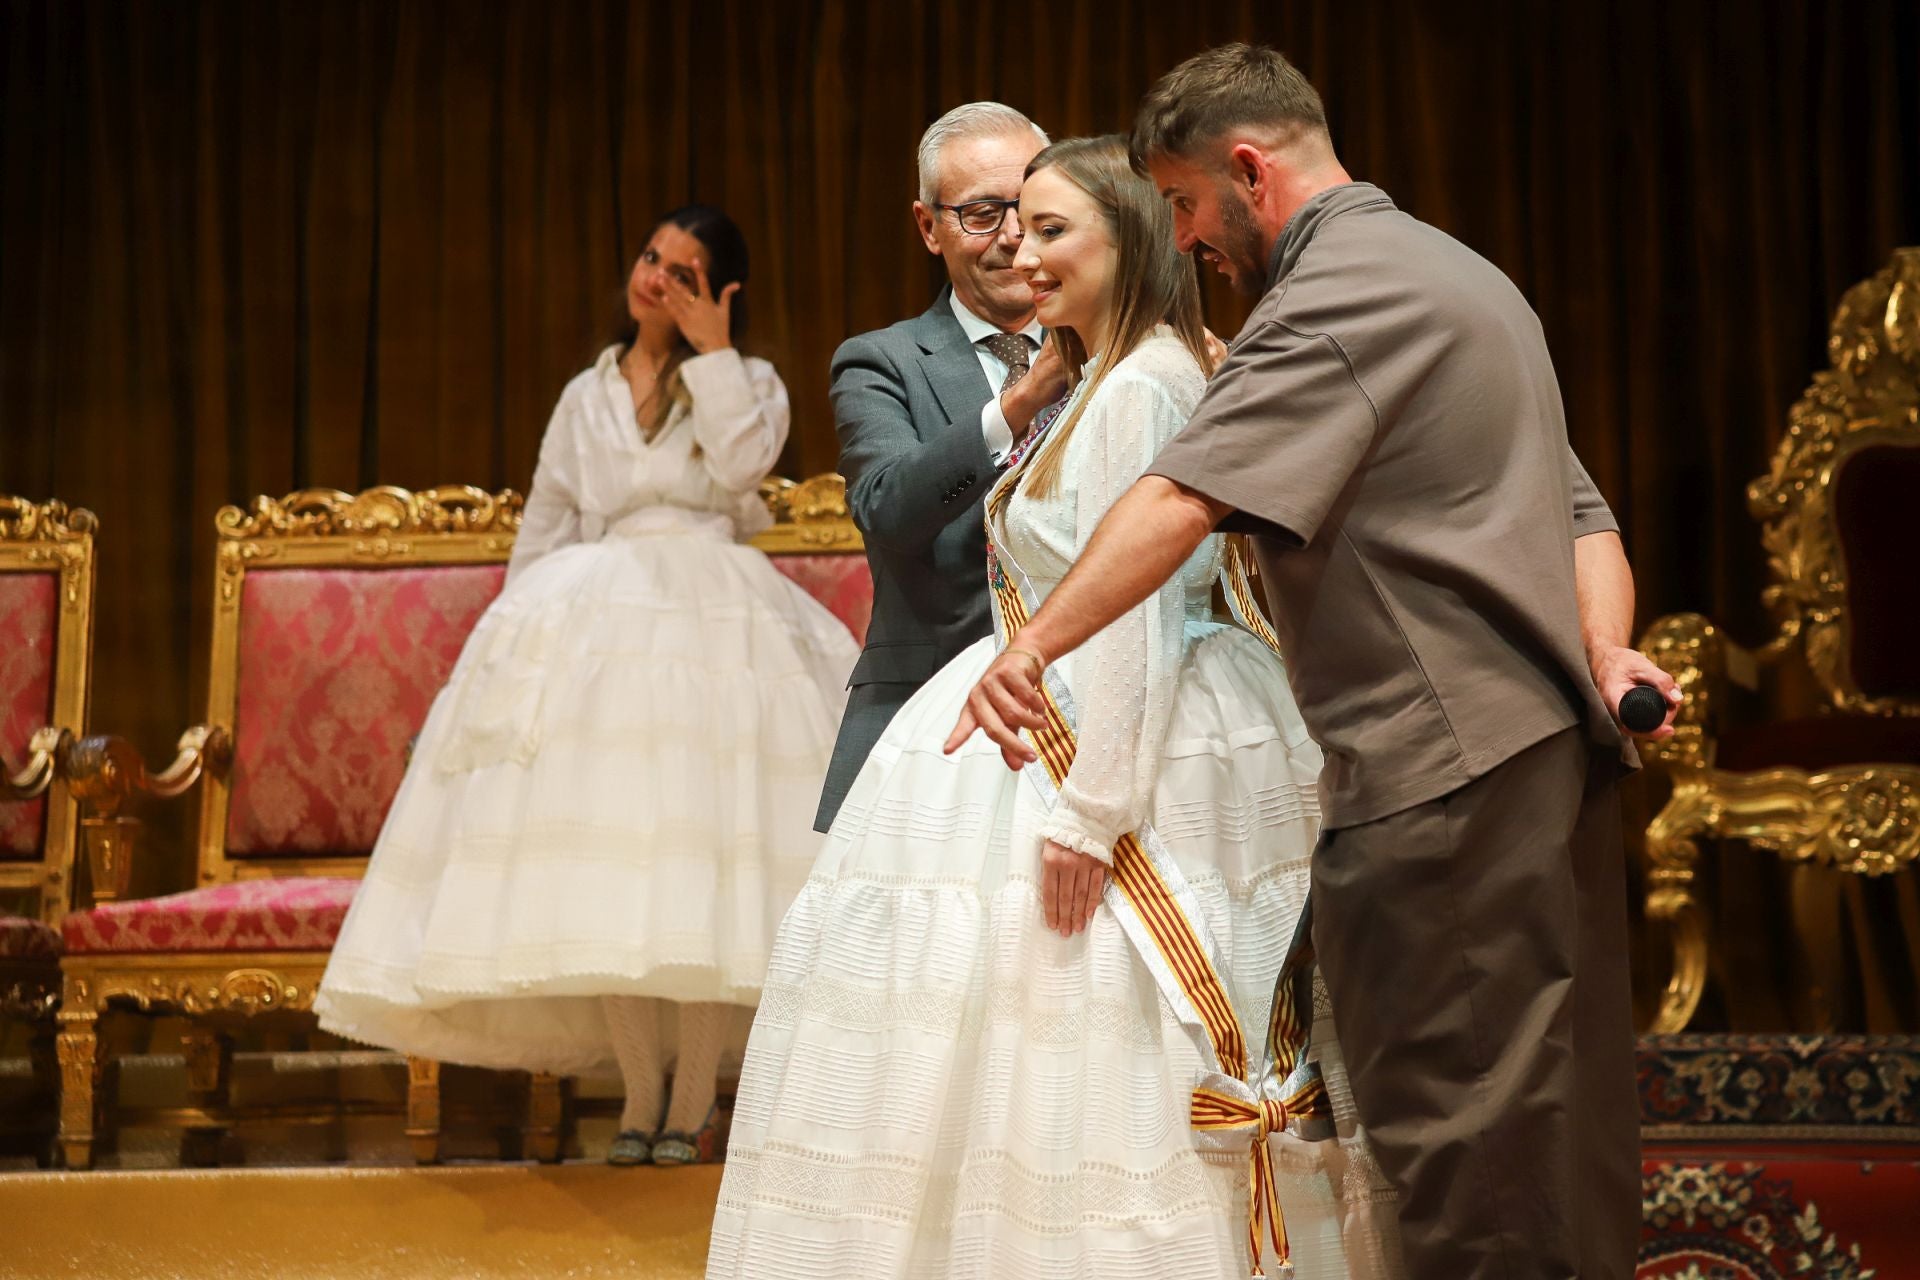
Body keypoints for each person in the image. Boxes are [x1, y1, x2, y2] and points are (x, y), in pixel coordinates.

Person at [950, 46, 1681, 1280]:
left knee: (1465, 1153)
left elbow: (1178, 493)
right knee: (1557, 1133)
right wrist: (1602, 644)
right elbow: (1583, 516)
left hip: (1437, 771)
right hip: (1542, 761)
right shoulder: (1471, 278)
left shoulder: (1331, 297)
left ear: (1249, 169)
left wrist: (1031, 642)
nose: (1185, 239)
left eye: (1184, 203)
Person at [710, 136, 1402, 1280]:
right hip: (1087, 717)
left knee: (1099, 1047)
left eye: (1050, 230)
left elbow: (1133, 613)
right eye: (1013, 228)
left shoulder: (1142, 386)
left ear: (1130, 235)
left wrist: (1093, 807)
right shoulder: (1117, 371)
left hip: (1132, 742)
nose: (1020, 255)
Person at [316, 204, 860, 1168]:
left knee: (699, 860)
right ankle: (640, 1093)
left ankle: (693, 1099)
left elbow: (745, 470)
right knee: (602, 871)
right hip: (592, 616)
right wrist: (500, 668)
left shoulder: (749, 382)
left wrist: (712, 352)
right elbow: (551, 523)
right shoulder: (586, 391)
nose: (657, 278)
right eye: (653, 259)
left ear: (721, 292)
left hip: (713, 618)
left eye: (685, 271)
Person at [813, 102, 1069, 831]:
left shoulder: (1120, 348)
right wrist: (1024, 400)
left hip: (1094, 713)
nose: (1016, 236)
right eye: (985, 213)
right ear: (930, 226)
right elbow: (891, 510)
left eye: (1033, 206)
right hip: (931, 720)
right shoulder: (881, 361)